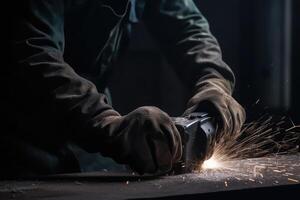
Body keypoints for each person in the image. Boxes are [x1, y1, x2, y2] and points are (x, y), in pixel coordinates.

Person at [1, 0, 245, 178]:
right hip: (24, 138)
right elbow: (33, 54)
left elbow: (188, 28)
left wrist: (214, 82)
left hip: (93, 145)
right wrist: (106, 122)